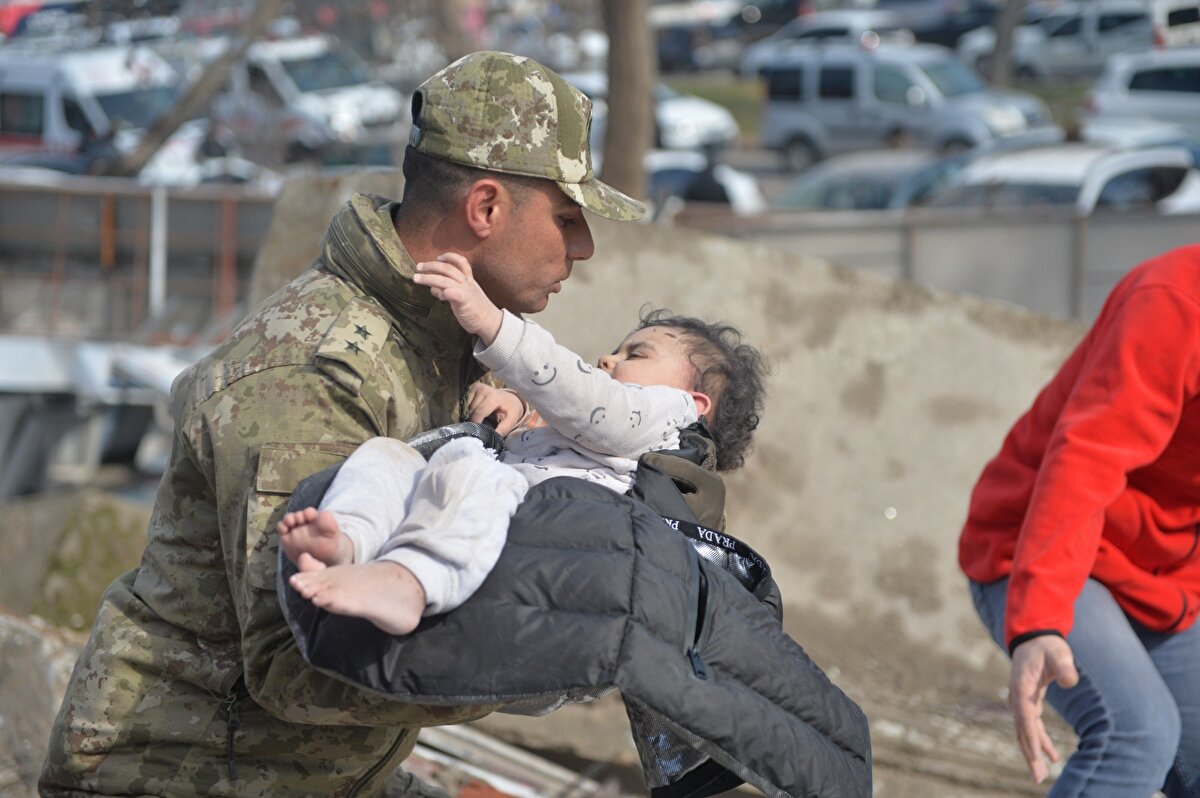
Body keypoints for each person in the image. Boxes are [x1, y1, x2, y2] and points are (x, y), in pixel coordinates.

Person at [39, 50, 647, 798]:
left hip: (301, 771)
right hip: (178, 774)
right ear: (486, 208)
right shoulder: (315, 371)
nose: (583, 247)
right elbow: (295, 663)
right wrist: (569, 660)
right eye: (567, 218)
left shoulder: (444, 339)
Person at [277, 251, 767, 636]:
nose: (607, 358)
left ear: (695, 403)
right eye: (617, 349)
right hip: (487, 510)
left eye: (635, 354)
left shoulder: (668, 417)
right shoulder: (611, 429)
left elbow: (589, 404)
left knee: (474, 472)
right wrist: (517, 410)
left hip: (544, 542)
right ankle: (348, 539)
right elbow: (571, 428)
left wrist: (494, 324)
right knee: (390, 456)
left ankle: (409, 583)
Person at [959, 244, 1200, 797]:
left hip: (1162, 575)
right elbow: (1087, 461)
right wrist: (1039, 623)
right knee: (1136, 733)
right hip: (1040, 548)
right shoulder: (1174, 299)